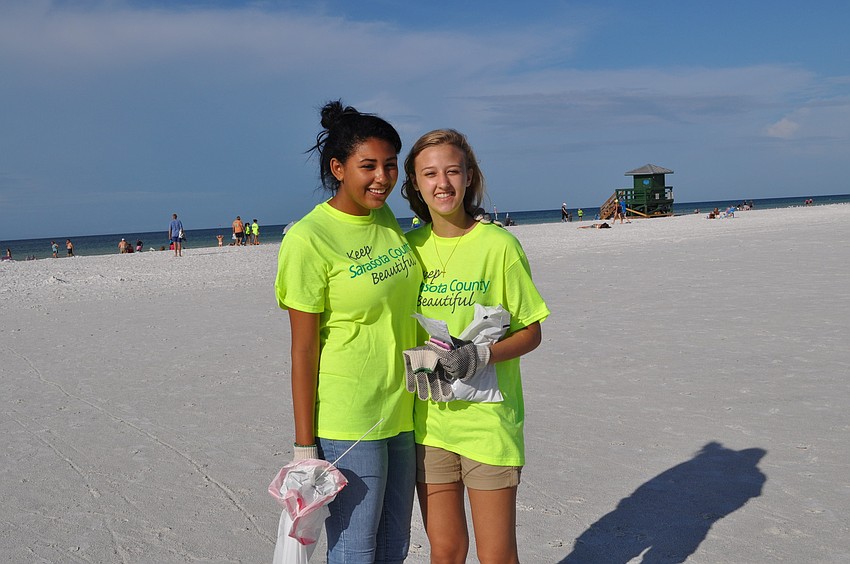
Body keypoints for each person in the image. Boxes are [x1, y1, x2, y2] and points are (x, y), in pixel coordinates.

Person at [274, 100, 422, 563]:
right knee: (355, 550)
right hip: (349, 418)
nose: (383, 178)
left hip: (403, 405)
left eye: (391, 165)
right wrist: (304, 446)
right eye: (369, 166)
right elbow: (303, 348)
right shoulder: (309, 238)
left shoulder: (384, 219)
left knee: (394, 544)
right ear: (338, 168)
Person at [401, 129, 549, 564]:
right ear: (414, 183)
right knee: (445, 551)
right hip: (429, 425)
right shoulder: (408, 250)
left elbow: (531, 331)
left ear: (470, 178)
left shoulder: (499, 246)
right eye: (429, 173)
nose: (441, 183)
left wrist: (480, 354)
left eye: (452, 171)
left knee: (496, 554)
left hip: (489, 423)